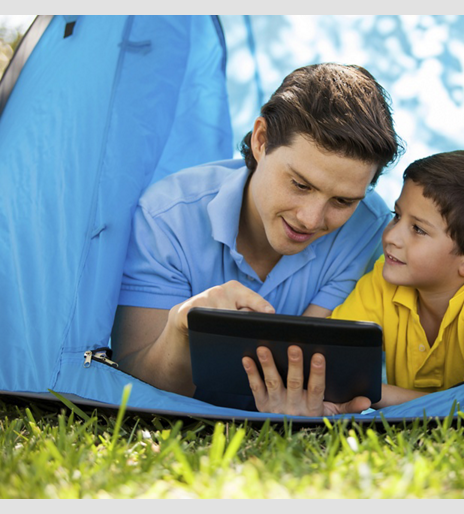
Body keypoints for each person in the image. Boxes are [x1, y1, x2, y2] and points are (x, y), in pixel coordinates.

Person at [111, 63, 402, 413]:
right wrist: (181, 329)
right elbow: (134, 386)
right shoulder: (166, 217)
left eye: (342, 201)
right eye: (300, 184)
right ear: (261, 141)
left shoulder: (368, 227)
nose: (311, 219)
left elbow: (310, 367)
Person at [243, 150, 464, 414]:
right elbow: (327, 361)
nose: (391, 237)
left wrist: (373, 393)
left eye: (418, 229)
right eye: (397, 216)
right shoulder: (384, 280)